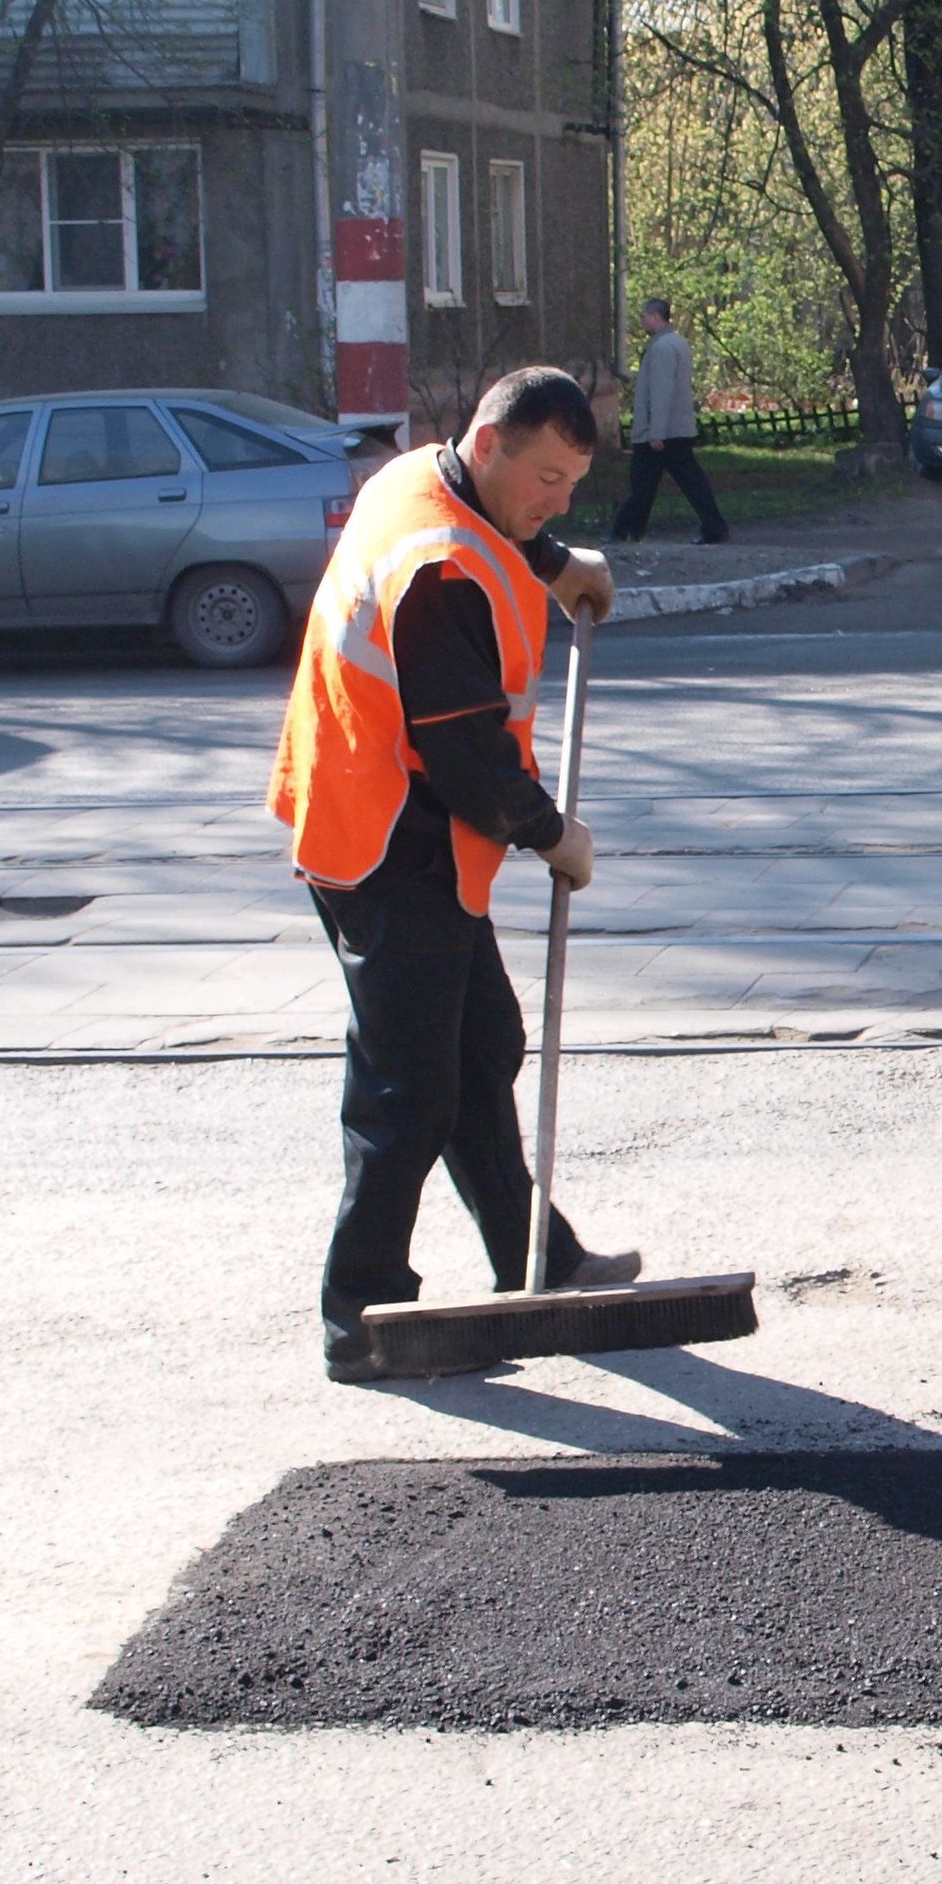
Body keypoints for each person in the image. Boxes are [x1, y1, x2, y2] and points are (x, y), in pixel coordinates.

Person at [268, 366, 633, 1382]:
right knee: (410, 1085)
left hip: (397, 820)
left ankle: (541, 1260)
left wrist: (553, 560)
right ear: (489, 443)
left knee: (482, 1048)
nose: (558, 498)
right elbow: (470, 755)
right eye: (548, 480)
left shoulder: (420, 479)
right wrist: (553, 833)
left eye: (572, 484)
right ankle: (363, 1312)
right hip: (386, 840)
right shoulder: (438, 568)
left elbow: (488, 521)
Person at [616, 296, 727, 545]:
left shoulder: (662, 348)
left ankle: (626, 530)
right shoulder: (677, 343)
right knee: (685, 482)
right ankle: (629, 529)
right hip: (675, 430)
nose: (642, 321)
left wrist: (656, 431)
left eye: (644, 317)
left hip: (660, 434)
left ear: (656, 317)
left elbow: (661, 392)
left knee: (643, 482)